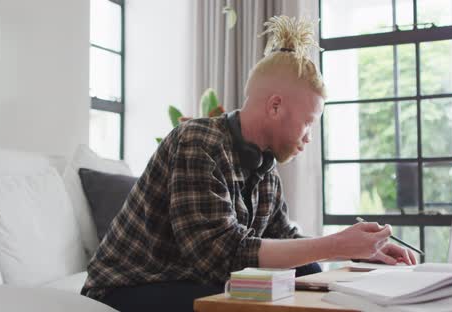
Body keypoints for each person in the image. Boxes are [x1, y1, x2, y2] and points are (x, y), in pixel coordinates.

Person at [81, 15, 417, 312]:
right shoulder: (197, 141)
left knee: (309, 272)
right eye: (308, 123)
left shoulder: (265, 168)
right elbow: (219, 256)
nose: (309, 137)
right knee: (243, 298)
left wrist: (358, 250)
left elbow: (285, 239)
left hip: (191, 281)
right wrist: (335, 246)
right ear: (275, 107)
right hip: (128, 288)